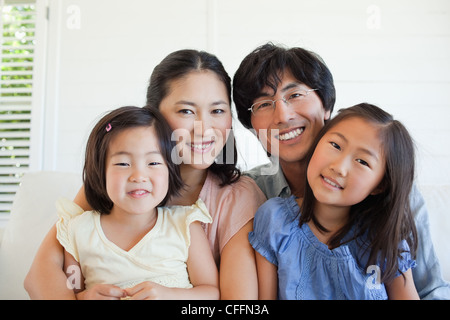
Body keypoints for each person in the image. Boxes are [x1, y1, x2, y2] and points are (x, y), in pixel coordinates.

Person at [24, 50, 266, 299]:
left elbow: (237, 302)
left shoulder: (237, 197)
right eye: (186, 111)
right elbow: (39, 276)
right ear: (153, 115)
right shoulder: (114, 186)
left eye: (217, 111)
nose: (203, 128)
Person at [233, 42, 450, 299]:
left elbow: (431, 289)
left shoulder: (392, 196)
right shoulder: (249, 195)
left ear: (326, 107)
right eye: (263, 104)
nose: (282, 115)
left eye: (295, 95)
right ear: (252, 126)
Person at [249, 103, 419, 299]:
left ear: (380, 185)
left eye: (362, 161)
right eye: (335, 145)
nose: (339, 167)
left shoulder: (386, 238)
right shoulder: (275, 220)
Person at [56, 106, 218, 299]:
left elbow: (211, 292)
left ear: (170, 170)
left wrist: (169, 295)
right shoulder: (78, 230)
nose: (139, 176)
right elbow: (71, 290)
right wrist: (84, 297)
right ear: (100, 171)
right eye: (123, 163)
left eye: (153, 163)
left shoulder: (185, 225)